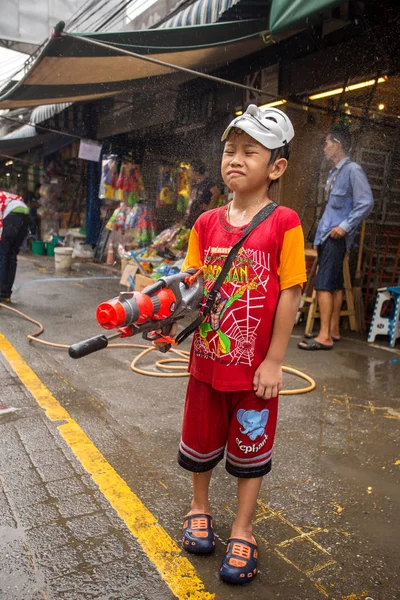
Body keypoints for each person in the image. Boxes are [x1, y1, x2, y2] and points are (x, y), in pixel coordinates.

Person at [172, 104, 306, 584]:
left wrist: (274, 360)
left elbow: (290, 292)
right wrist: (167, 319)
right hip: (206, 363)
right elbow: (190, 287)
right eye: (230, 150)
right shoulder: (205, 223)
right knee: (202, 442)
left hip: (254, 373)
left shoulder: (284, 222)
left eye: (250, 152)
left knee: (251, 449)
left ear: (276, 167)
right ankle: (199, 505)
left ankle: (244, 528)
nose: (236, 159)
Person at [298, 125, 374, 350]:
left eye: (327, 144)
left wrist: (345, 226)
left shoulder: (352, 170)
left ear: (337, 145)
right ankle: (333, 330)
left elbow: (366, 202)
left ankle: (324, 337)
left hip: (335, 237)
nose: (324, 149)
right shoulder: (336, 172)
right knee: (335, 284)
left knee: (322, 285)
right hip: (326, 235)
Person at [0, 190, 30, 303]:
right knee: (12, 255)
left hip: (12, 216)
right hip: (25, 215)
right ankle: (6, 294)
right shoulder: (6, 195)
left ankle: (1, 293)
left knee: (3, 254)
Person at [184, 160, 221, 229]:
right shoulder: (195, 183)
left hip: (202, 215)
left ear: (196, 172)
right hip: (194, 214)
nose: (188, 172)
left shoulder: (207, 182)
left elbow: (216, 193)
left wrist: (209, 208)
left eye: (190, 170)